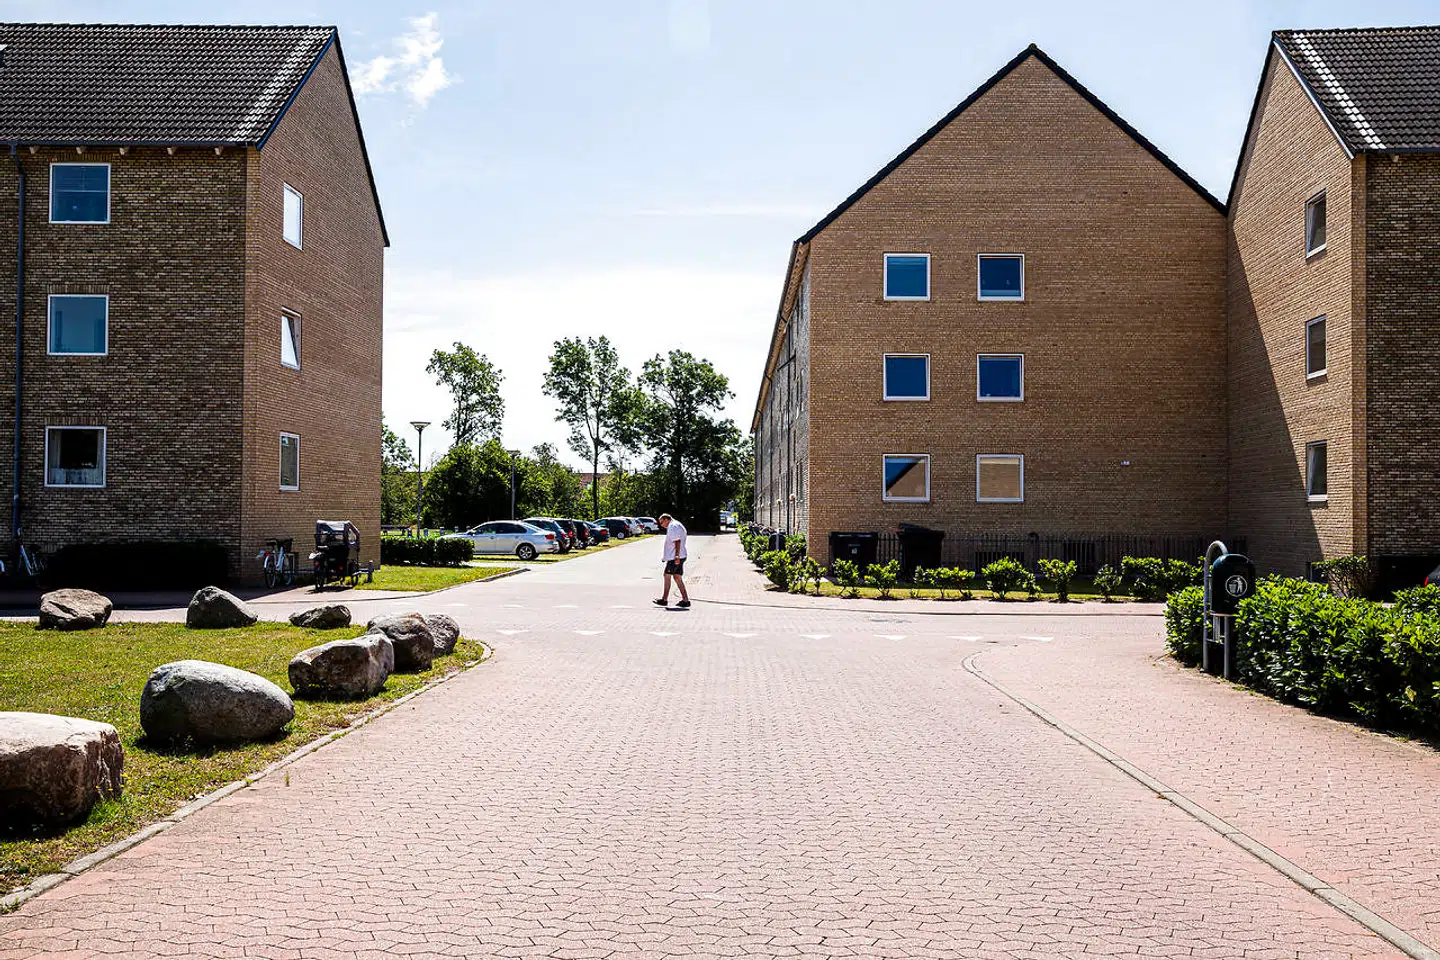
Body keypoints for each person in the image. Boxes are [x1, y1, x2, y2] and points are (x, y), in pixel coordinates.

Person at [653, 513, 690, 609]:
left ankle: (664, 600)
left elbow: (677, 541)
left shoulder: (673, 526)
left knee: (667, 575)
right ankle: (685, 600)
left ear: (666, 519)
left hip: (675, 557)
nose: (661, 525)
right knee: (677, 577)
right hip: (677, 556)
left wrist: (676, 556)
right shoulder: (675, 524)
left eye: (662, 522)